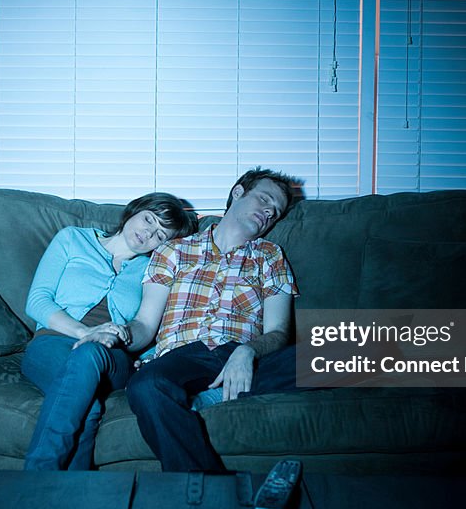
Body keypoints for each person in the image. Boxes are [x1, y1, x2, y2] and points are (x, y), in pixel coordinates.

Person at [112, 167, 301, 472]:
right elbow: (145, 324)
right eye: (264, 200)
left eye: (275, 212)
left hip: (246, 359)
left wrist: (248, 351)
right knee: (146, 386)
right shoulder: (173, 250)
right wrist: (117, 333)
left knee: (360, 349)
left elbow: (279, 332)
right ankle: (209, 487)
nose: (268, 213)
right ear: (238, 193)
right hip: (183, 357)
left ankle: (207, 397)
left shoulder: (270, 255)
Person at [20, 192, 197, 470]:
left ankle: (36, 479)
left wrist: (126, 340)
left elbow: (148, 324)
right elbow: (37, 301)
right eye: (149, 219)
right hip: (51, 344)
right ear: (133, 211)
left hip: (112, 358)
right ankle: (75, 497)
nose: (149, 233)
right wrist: (85, 332)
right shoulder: (72, 239)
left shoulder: (153, 269)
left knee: (92, 353)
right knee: (87, 408)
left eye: (161, 235)